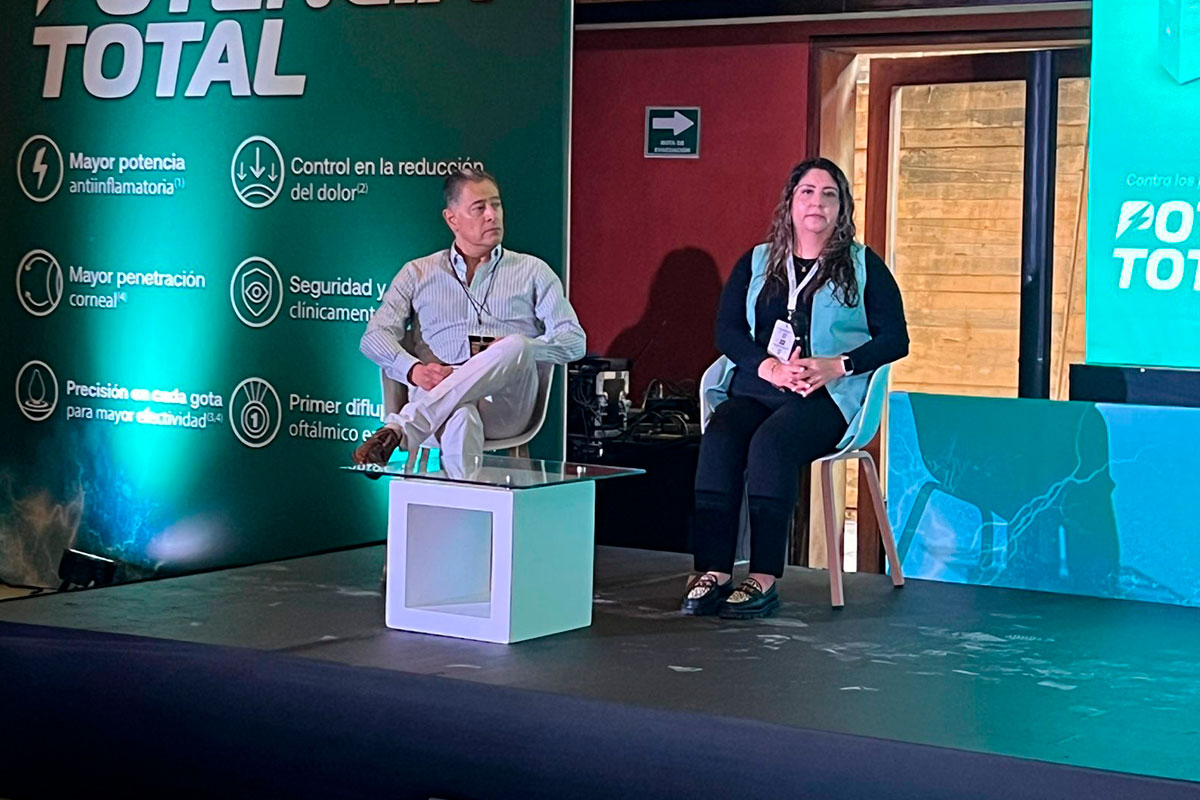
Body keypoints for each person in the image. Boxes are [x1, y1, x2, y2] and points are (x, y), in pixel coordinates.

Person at [683, 157, 909, 619]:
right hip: (760, 386)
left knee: (771, 444)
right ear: (790, 203)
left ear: (842, 208)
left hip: (827, 397)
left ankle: (763, 578)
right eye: (807, 192)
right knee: (722, 434)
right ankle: (714, 571)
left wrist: (838, 365)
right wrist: (767, 367)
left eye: (829, 195)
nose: (817, 203)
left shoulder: (863, 265)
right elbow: (728, 331)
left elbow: (896, 339)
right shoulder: (758, 261)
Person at [354, 168, 585, 466]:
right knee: (462, 416)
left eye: (496, 205)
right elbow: (374, 337)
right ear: (452, 219)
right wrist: (413, 370)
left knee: (516, 345)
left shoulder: (533, 271)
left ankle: (401, 428)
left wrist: (527, 350)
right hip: (440, 397)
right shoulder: (418, 272)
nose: (492, 215)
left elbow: (574, 341)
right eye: (479, 208)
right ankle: (462, 495)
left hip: (504, 405)